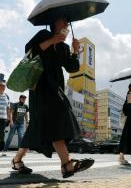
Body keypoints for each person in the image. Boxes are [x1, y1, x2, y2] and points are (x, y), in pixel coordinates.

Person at [11, 17, 94, 177]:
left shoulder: (63, 46)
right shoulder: (43, 35)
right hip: (41, 85)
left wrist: (75, 51)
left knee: (40, 124)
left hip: (55, 87)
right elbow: (30, 52)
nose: (66, 25)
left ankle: (17, 159)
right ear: (55, 23)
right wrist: (53, 40)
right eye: (64, 21)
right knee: (55, 118)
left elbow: (72, 68)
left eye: (67, 23)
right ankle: (67, 164)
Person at [0, 78, 11, 156]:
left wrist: (9, 118)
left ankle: (0, 150)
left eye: (4, 86)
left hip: (3, 118)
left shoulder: (6, 96)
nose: (3, 87)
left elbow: (8, 108)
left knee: (1, 134)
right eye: (1, 86)